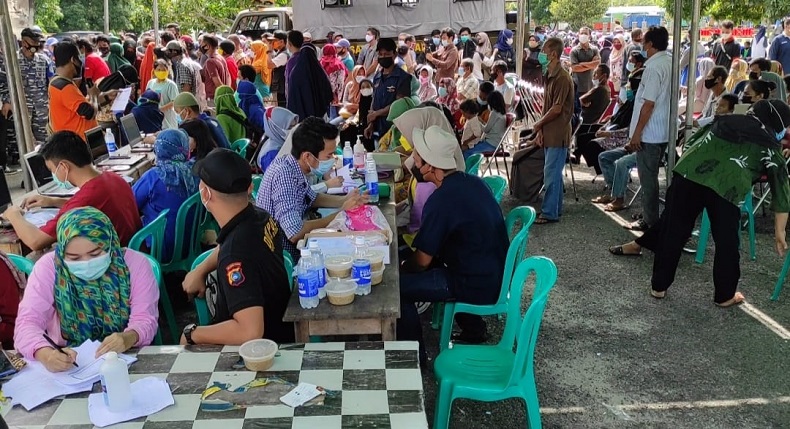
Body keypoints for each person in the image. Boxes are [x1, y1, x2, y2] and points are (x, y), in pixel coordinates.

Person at [610, 100, 790, 307]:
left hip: (688, 175)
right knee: (727, 243)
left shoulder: (722, 122)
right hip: (726, 188)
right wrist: (779, 232)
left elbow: (691, 143)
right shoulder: (770, 148)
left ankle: (658, 287)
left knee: (673, 231)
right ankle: (725, 295)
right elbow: (781, 193)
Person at [398, 125, 508, 356]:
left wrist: (402, 269)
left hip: (474, 282)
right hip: (493, 271)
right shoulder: (472, 182)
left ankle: (412, 359)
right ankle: (474, 330)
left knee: (397, 291)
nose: (414, 163)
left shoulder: (441, 200)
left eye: (418, 159)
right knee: (402, 256)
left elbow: (422, 261)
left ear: (432, 166)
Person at [14, 207, 159, 370]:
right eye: (74, 258)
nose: (86, 262)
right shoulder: (50, 267)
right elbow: (27, 323)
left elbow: (145, 319)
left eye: (96, 254)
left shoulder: (135, 265)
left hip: (126, 356)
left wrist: (129, 336)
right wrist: (45, 353)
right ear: (61, 252)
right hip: (69, 361)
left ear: (110, 244)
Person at [180, 149, 294, 345]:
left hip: (258, 352)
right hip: (282, 327)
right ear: (250, 187)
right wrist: (201, 270)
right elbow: (226, 244)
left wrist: (192, 334)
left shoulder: (236, 254)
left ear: (205, 193)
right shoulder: (259, 217)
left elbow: (249, 332)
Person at [3, 132, 142, 251]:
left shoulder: (86, 199)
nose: (54, 175)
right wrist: (53, 201)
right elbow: (92, 203)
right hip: (135, 253)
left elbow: (36, 241)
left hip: (117, 264)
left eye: (52, 170)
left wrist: (14, 215)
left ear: (63, 166)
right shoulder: (112, 178)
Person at [256, 117, 367, 261]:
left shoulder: (294, 166)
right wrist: (342, 213)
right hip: (286, 258)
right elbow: (295, 233)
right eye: (329, 155)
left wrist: (344, 200)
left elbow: (311, 197)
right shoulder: (284, 176)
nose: (333, 159)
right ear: (307, 156)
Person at [624, 26, 672, 232]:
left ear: (651, 43)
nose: (642, 45)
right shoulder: (669, 61)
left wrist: (637, 133)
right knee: (650, 177)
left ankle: (651, 221)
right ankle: (650, 216)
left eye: (644, 41)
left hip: (650, 133)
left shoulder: (653, 68)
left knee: (648, 179)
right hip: (662, 130)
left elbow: (648, 104)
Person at [133, 129, 198, 261]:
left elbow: (131, 202)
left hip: (160, 247)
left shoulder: (154, 176)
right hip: (191, 240)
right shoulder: (195, 171)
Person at [530, 37, 574, 225]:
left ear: (553, 54)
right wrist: (540, 129)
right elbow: (546, 106)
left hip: (558, 133)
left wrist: (538, 124)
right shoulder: (550, 74)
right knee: (553, 173)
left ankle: (549, 212)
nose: (541, 54)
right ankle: (554, 209)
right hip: (549, 132)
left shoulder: (563, 77)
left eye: (544, 51)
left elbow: (556, 108)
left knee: (551, 174)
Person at [4, 28, 54, 146]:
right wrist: (7, 101)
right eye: (33, 42)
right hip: (22, 108)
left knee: (43, 143)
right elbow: (5, 83)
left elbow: (51, 82)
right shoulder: (12, 60)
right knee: (21, 143)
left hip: (41, 108)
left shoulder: (44, 60)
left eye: (38, 42)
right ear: (24, 42)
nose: (36, 45)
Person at [48, 41, 103, 140]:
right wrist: (94, 95)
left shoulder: (59, 83)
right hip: (78, 144)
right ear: (73, 59)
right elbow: (89, 113)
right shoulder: (64, 87)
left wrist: (106, 97)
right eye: (79, 57)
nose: (81, 61)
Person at [365, 38, 410, 139]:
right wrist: (371, 124)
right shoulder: (377, 77)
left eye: (386, 54)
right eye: (381, 54)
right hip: (378, 130)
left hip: (396, 129)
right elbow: (374, 100)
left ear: (394, 55)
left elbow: (399, 104)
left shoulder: (403, 77)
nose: (383, 57)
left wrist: (377, 113)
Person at [287, 42, 333, 121]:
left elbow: (292, 95)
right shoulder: (320, 72)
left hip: (301, 117)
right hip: (319, 116)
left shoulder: (295, 73)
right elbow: (328, 92)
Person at [463, 91, 506, 157]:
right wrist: (481, 122)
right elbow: (489, 126)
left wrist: (477, 121)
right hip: (496, 143)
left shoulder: (494, 113)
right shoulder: (502, 114)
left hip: (491, 144)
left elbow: (486, 130)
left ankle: (469, 167)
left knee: (467, 153)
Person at [258, 106, 299, 172]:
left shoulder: (279, 141)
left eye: (295, 126)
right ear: (276, 128)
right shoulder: (271, 156)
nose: (294, 130)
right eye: (290, 127)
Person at [146, 59, 179, 130]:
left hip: (168, 121)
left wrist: (160, 109)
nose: (161, 72)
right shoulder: (150, 83)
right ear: (154, 71)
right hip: (154, 120)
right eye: (159, 70)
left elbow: (174, 101)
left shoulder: (171, 85)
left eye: (164, 70)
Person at [570, 27, 601, 97]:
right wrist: (591, 64)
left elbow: (597, 64)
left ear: (589, 35)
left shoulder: (594, 49)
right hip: (578, 86)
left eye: (585, 33)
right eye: (581, 33)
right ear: (578, 35)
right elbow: (575, 68)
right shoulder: (574, 51)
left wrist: (581, 64)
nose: (583, 35)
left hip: (592, 85)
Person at [200, 35, 231, 105]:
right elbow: (228, 76)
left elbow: (217, 82)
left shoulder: (210, 61)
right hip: (221, 97)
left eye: (201, 43)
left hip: (214, 98)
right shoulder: (221, 57)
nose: (200, 46)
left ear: (207, 46)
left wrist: (224, 95)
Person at [320, 44, 347, 113]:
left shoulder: (320, 63)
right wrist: (338, 97)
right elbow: (340, 82)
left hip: (322, 95)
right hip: (335, 97)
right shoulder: (338, 64)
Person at [267, 31, 290, 107]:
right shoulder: (280, 52)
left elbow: (270, 65)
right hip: (279, 87)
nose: (272, 43)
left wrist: (269, 51)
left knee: (280, 108)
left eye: (274, 41)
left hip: (281, 88)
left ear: (281, 41)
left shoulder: (283, 55)